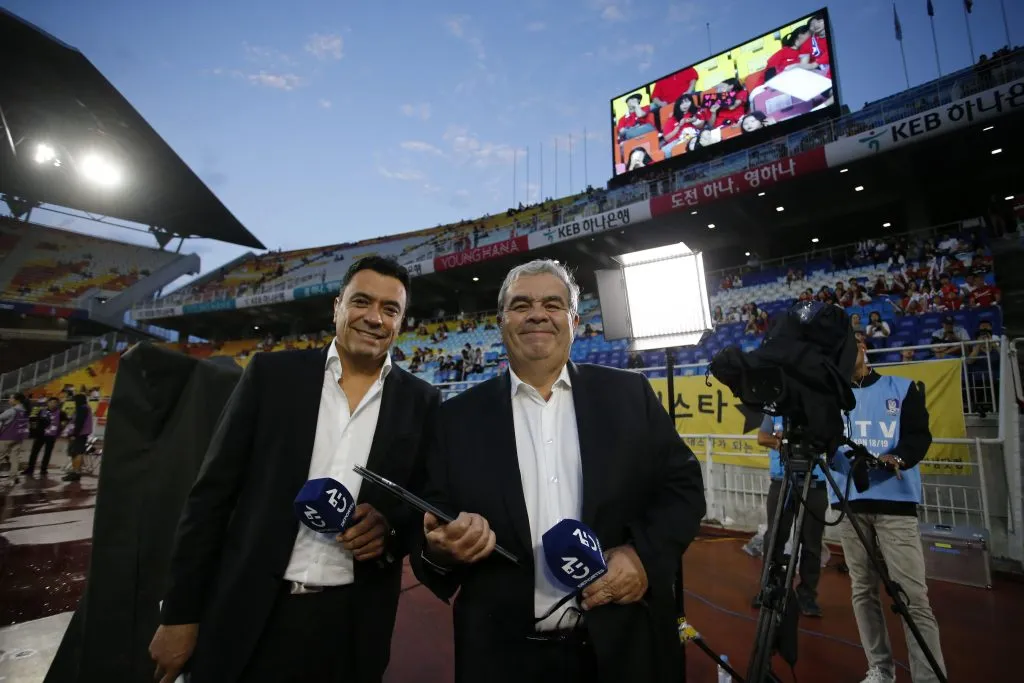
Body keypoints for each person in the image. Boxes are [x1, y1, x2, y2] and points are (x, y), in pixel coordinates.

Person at [411, 259, 706, 683]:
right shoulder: (454, 419)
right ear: (501, 321)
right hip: (502, 657)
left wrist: (643, 556)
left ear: (574, 320)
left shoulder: (629, 396)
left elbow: (684, 488)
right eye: (521, 304)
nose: (537, 313)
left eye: (553, 303)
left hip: (624, 648)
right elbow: (429, 522)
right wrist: (440, 547)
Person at [149, 256, 441, 683]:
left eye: (390, 309)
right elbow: (210, 497)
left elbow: (423, 503)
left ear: (401, 321)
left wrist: (391, 529)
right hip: (249, 612)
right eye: (362, 302)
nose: (375, 318)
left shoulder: (423, 401)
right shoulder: (271, 375)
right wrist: (179, 614)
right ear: (337, 306)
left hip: (352, 625)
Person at [829, 340, 946, 683]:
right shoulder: (831, 400)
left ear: (862, 348)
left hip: (896, 505)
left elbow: (918, 437)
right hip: (850, 504)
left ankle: (928, 676)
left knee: (913, 596)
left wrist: (897, 458)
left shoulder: (903, 388)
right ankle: (880, 669)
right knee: (863, 590)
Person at [751, 413, 826, 617]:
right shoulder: (775, 410)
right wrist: (782, 442)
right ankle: (768, 588)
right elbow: (761, 437)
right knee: (774, 537)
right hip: (781, 479)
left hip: (815, 482)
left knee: (812, 542)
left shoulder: (819, 406)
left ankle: (807, 595)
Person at [24, 396, 66, 478]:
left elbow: (65, 421)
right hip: (40, 435)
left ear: (57, 404)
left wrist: (61, 428)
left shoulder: (61, 413)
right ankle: (30, 468)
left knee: (47, 453)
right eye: (51, 402)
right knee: (34, 452)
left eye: (55, 403)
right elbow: (34, 420)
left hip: (51, 436)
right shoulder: (41, 411)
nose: (53, 404)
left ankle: (43, 469)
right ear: (48, 403)